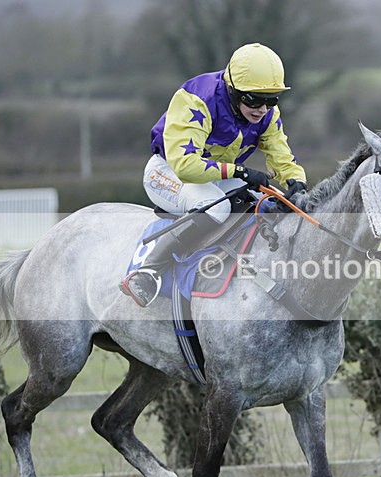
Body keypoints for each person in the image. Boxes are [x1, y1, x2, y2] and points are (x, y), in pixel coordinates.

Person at [121, 43, 307, 307]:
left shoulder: (266, 113)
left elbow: (282, 158)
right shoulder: (198, 100)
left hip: (214, 177)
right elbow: (185, 165)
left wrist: (297, 182)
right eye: (254, 99)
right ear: (232, 90)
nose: (263, 109)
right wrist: (240, 171)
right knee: (217, 207)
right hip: (168, 172)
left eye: (271, 99)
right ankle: (148, 271)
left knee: (267, 202)